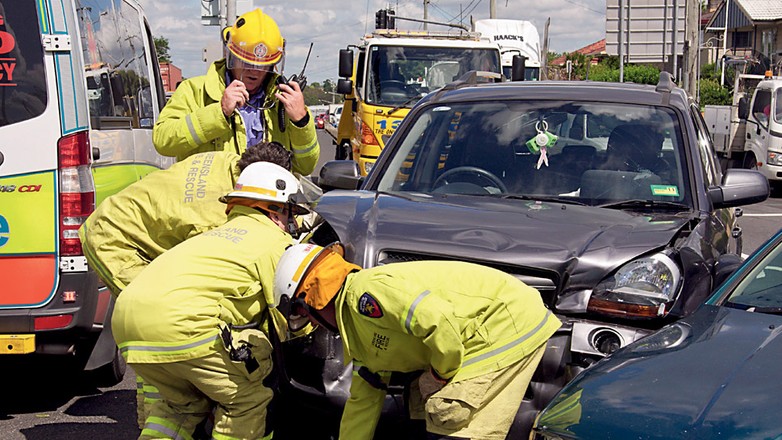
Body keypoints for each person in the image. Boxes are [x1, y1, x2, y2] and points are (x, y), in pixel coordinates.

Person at [79, 141, 292, 429]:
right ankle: (150, 419)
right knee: (163, 332)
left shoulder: (227, 162)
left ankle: (176, 415)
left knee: (165, 342)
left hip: (119, 225)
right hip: (115, 243)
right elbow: (211, 279)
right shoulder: (213, 218)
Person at [272, 243, 562, 440]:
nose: (308, 321)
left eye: (301, 312)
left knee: (450, 411)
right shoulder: (355, 331)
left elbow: (439, 320)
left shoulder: (366, 294)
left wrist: (439, 374)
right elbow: (363, 400)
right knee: (424, 407)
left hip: (503, 324)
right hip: (482, 330)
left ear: (312, 297)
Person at [152, 8, 320, 176]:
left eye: (262, 66)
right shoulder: (194, 90)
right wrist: (219, 112)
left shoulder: (281, 102)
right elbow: (163, 141)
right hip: (209, 201)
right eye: (246, 63)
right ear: (231, 56)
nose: (254, 71)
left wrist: (301, 122)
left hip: (264, 199)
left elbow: (305, 167)